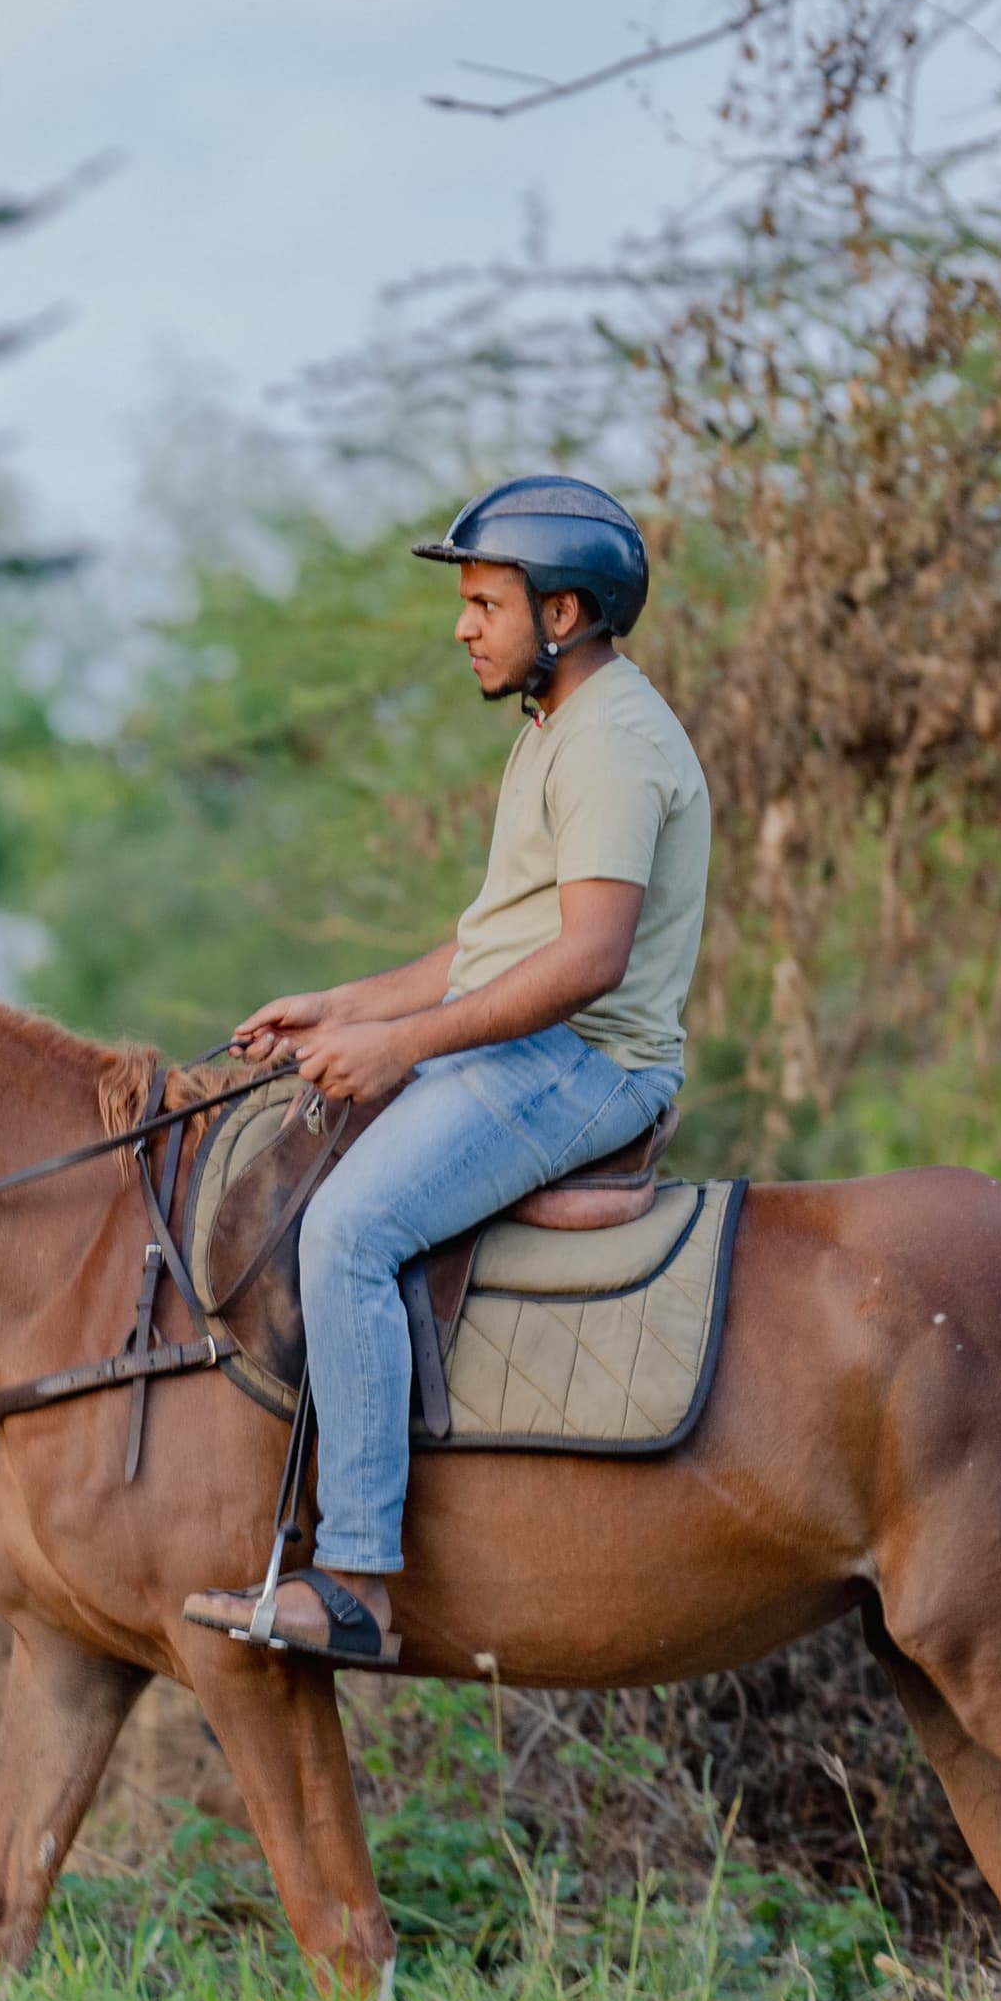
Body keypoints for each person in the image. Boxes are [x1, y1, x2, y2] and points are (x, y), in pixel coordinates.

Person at [179, 476, 712, 1670]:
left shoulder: (615, 744)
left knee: (349, 1231)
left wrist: (397, 1047)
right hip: (530, 1039)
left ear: (562, 613)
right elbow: (492, 944)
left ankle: (356, 1582)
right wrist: (343, 1004)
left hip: (588, 1065)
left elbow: (588, 959)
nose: (462, 627)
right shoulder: (554, 729)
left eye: (484, 603)